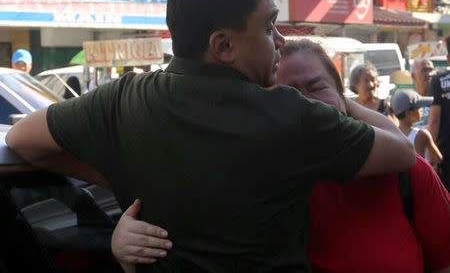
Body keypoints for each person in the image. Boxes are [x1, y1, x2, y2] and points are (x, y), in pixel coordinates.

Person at [5, 0, 415, 272]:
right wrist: (340, 100)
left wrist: (123, 174)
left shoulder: (122, 100)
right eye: (268, 26)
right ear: (223, 46)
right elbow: (401, 149)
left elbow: (21, 139)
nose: (280, 40)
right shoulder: (290, 116)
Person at [111, 39, 450, 273]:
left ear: (344, 99)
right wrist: (127, 247)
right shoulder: (232, 180)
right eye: (284, 95)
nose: (304, 107)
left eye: (316, 88)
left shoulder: (407, 173)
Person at [390, 89, 442, 166]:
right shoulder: (422, 134)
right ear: (408, 113)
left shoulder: (391, 134)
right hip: (420, 177)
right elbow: (438, 158)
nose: (421, 110)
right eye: (418, 107)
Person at [428, 35, 450, 191]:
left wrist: (431, 154)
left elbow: (434, 119)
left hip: (445, 152)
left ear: (448, 58)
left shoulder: (438, 80)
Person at [411, 58, 435, 128]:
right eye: (424, 70)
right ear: (413, 76)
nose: (429, 74)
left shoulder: (443, 99)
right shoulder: (409, 103)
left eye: (431, 70)